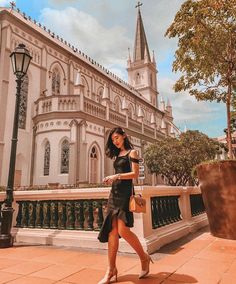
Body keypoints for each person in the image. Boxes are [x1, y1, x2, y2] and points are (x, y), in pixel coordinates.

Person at [97, 127, 153, 284]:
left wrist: (116, 175)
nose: (115, 141)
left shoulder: (132, 152)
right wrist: (112, 179)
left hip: (125, 194)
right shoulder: (116, 155)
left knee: (123, 230)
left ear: (124, 136)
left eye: (116, 137)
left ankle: (144, 258)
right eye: (112, 139)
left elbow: (135, 174)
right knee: (112, 232)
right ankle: (111, 270)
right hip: (114, 194)